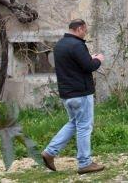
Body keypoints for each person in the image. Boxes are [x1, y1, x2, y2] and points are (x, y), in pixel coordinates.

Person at [41, 19, 105, 174]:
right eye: (85, 31)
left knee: (74, 124)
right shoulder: (77, 45)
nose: (85, 34)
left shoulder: (60, 45)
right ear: (80, 29)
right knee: (84, 127)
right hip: (81, 93)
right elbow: (88, 66)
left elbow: (75, 64)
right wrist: (98, 59)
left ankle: (50, 152)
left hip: (67, 94)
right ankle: (85, 163)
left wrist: (88, 57)